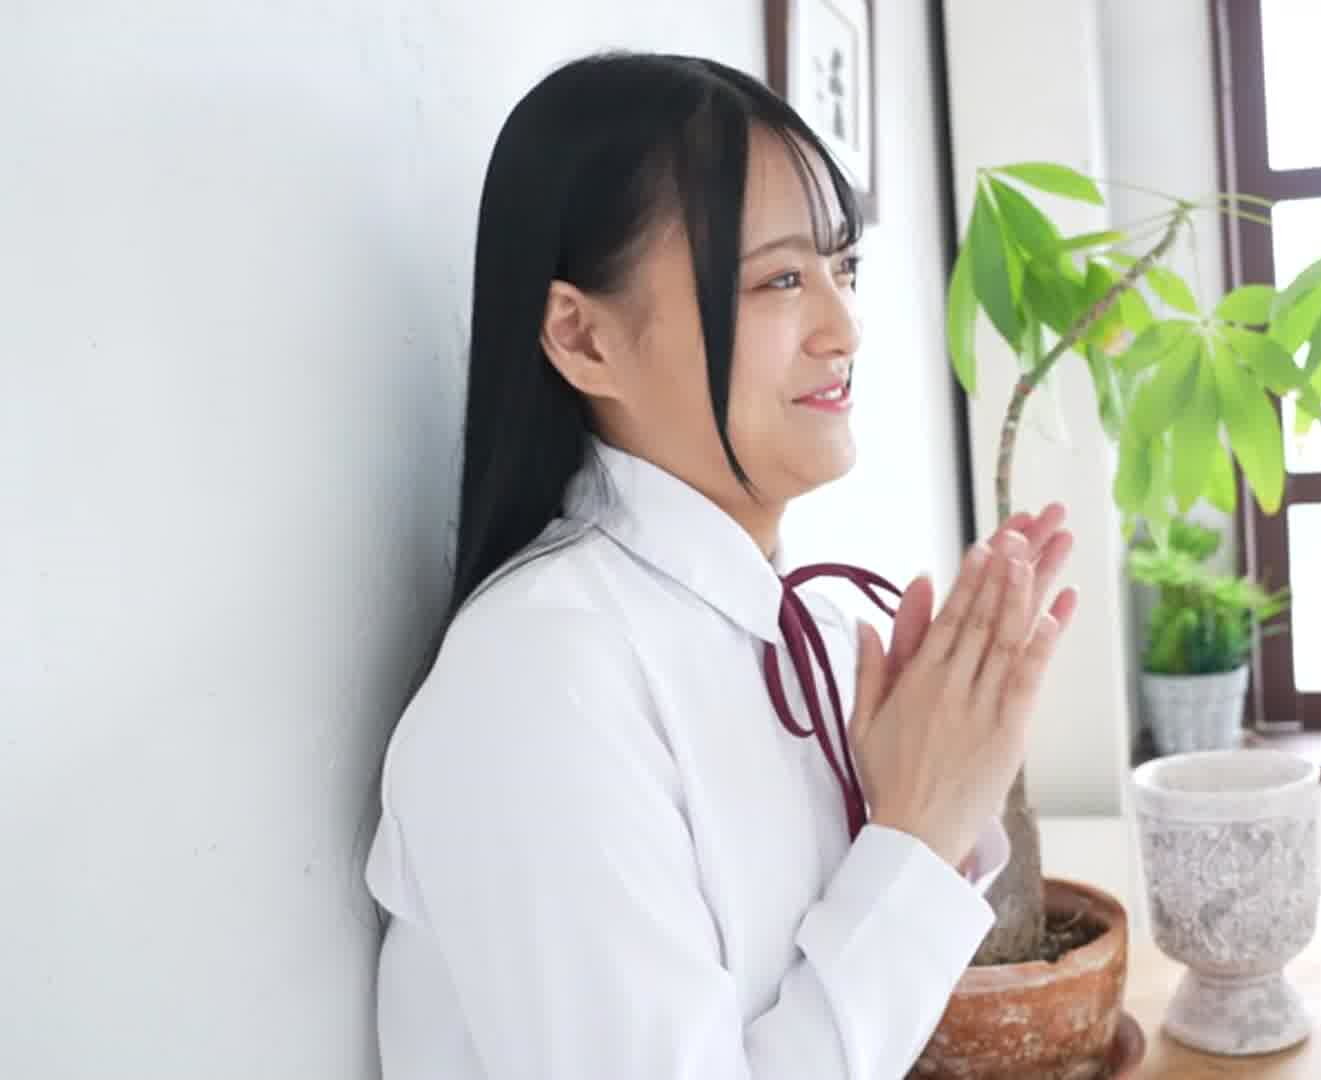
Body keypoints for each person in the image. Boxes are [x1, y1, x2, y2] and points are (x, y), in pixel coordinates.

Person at [361, 50, 1080, 1080]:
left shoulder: (814, 638)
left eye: (844, 269)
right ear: (583, 337)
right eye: (780, 279)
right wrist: (919, 839)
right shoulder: (540, 676)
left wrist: (933, 803)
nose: (844, 328)